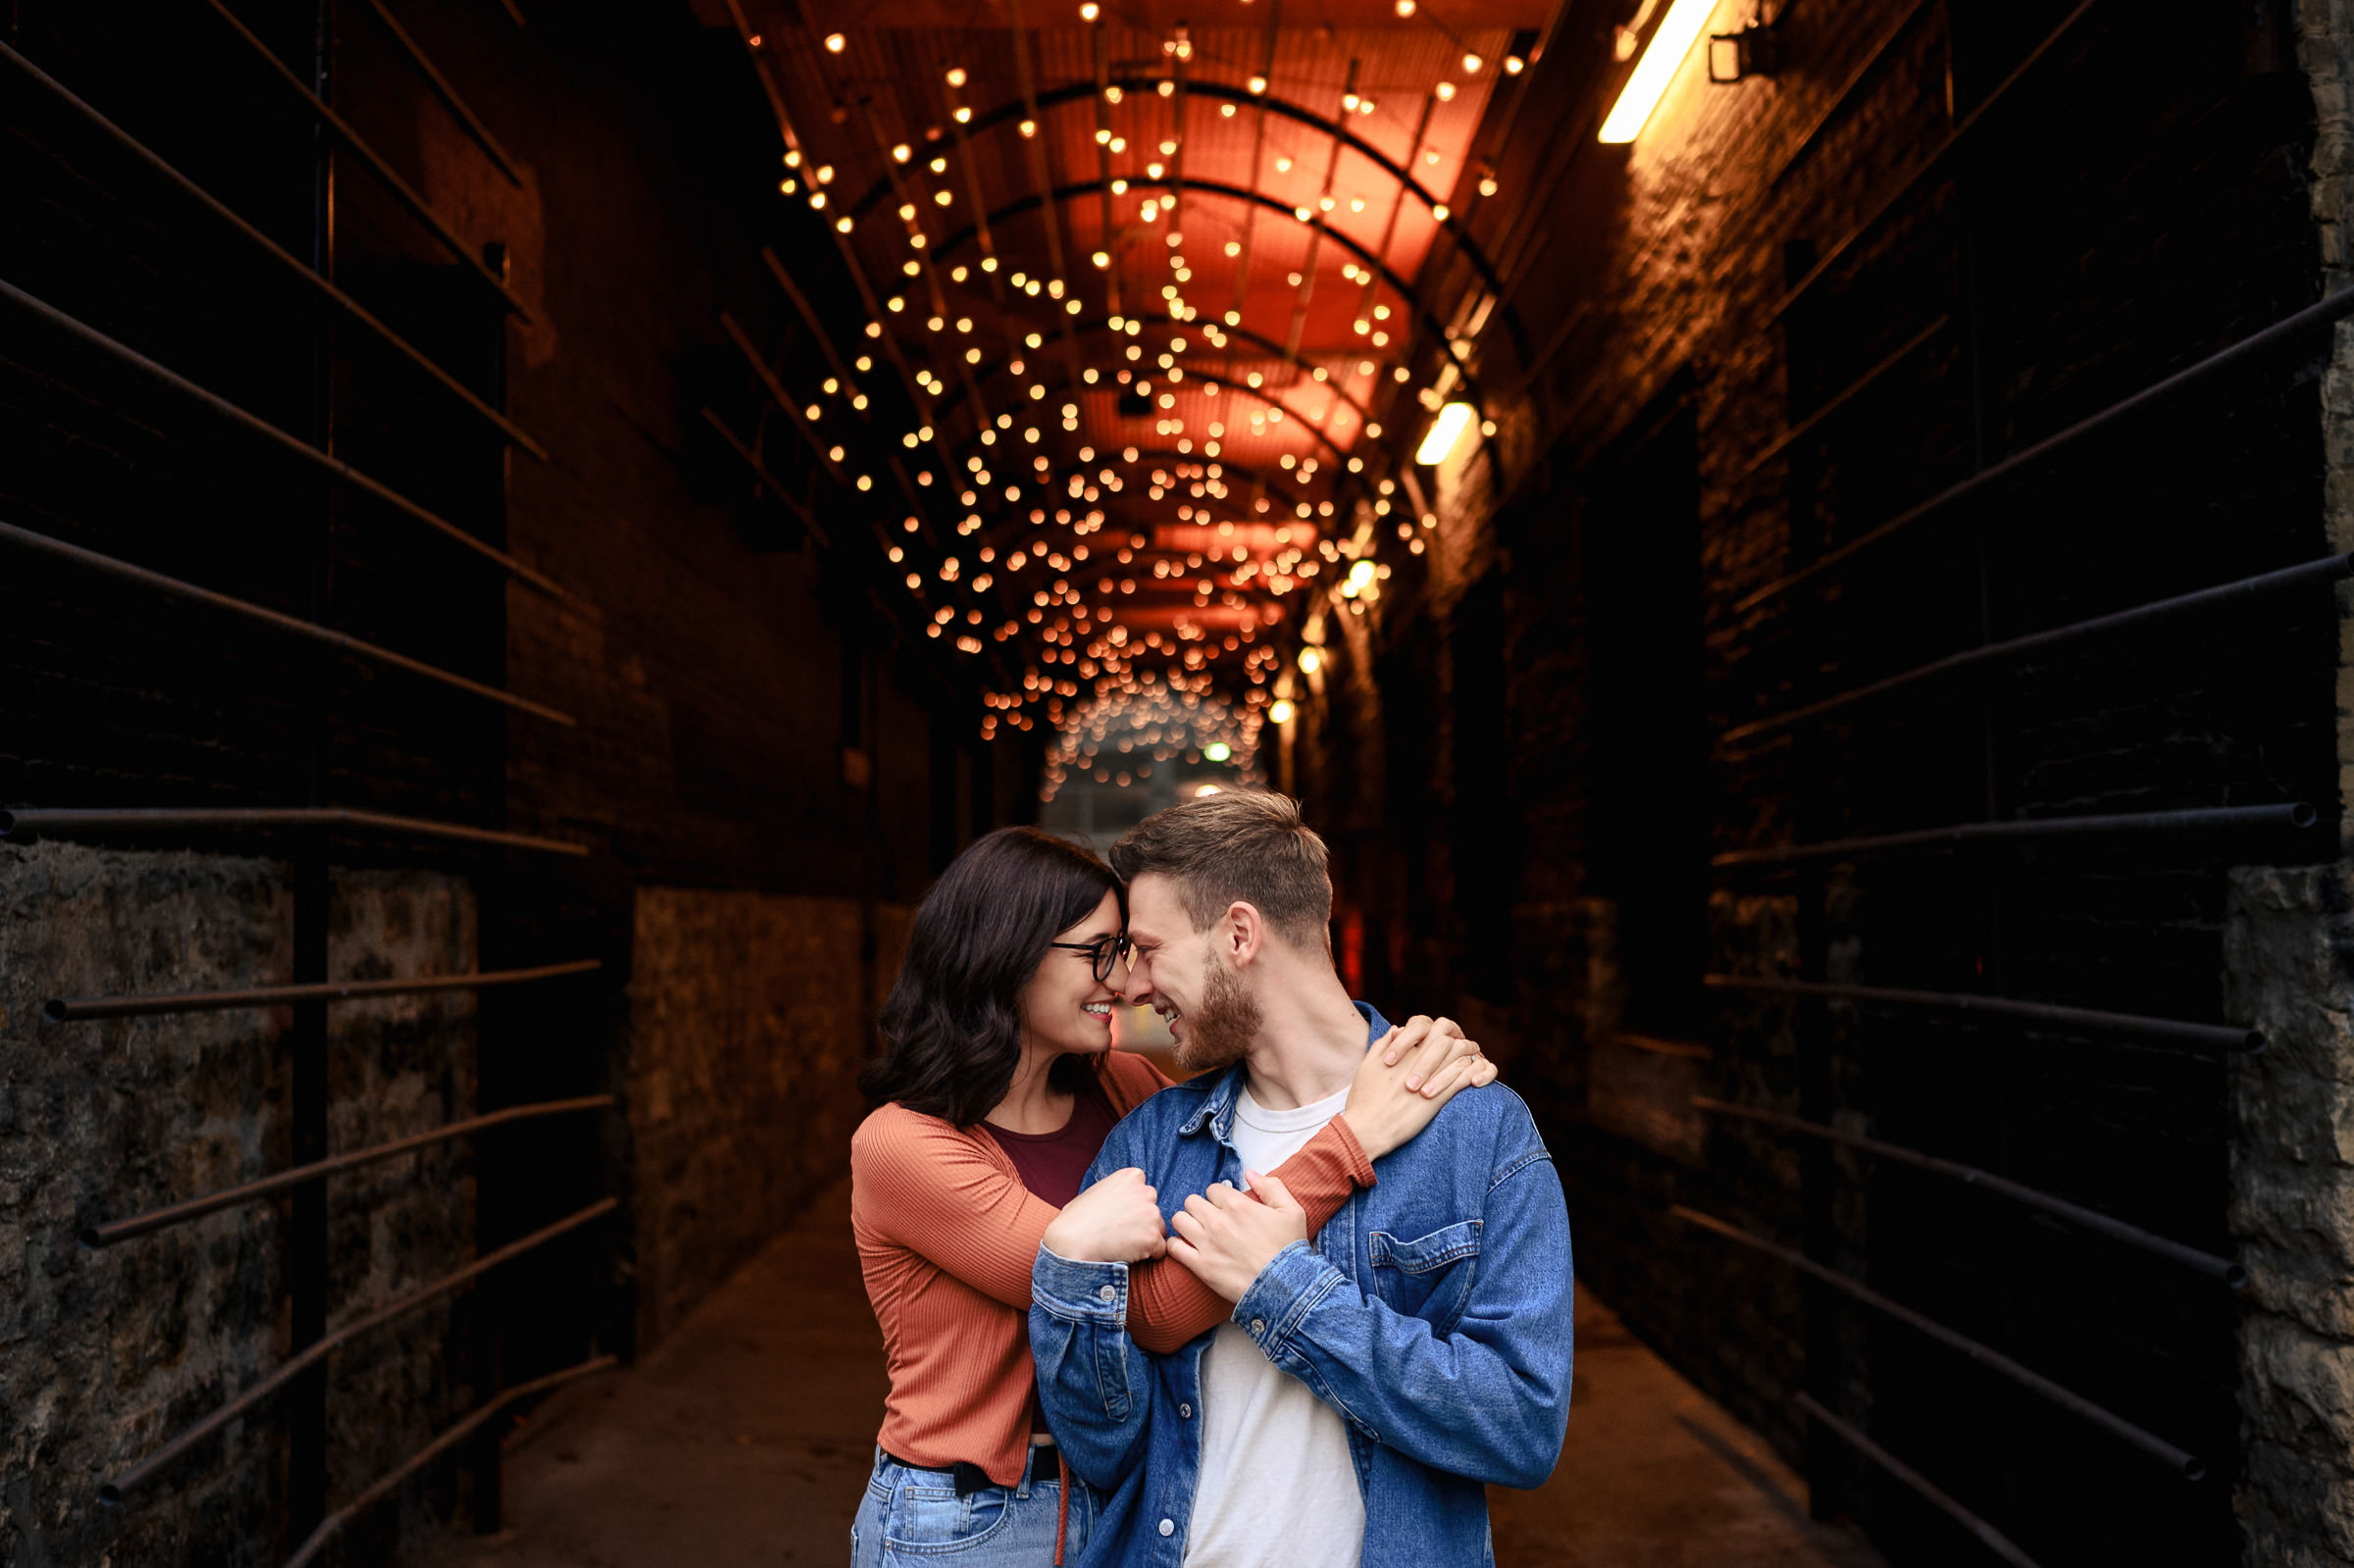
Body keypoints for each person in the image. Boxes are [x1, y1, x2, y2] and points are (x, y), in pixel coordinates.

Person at [847, 826, 1497, 1568]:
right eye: (1100, 952)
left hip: (1113, 1500)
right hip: (973, 1517)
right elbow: (1151, 1305)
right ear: (1006, 950)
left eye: (1128, 950)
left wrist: (1410, 1055)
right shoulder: (903, 1147)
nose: (1123, 983)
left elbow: (1261, 1115)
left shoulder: (1123, 1089)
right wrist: (1354, 1140)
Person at [1029, 793, 1574, 1568]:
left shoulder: (1478, 1132)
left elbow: (1522, 1427)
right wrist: (1067, 1272)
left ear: (1240, 934)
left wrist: (1285, 1289)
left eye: (1148, 948)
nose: (1133, 984)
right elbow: (1104, 1449)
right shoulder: (1154, 1140)